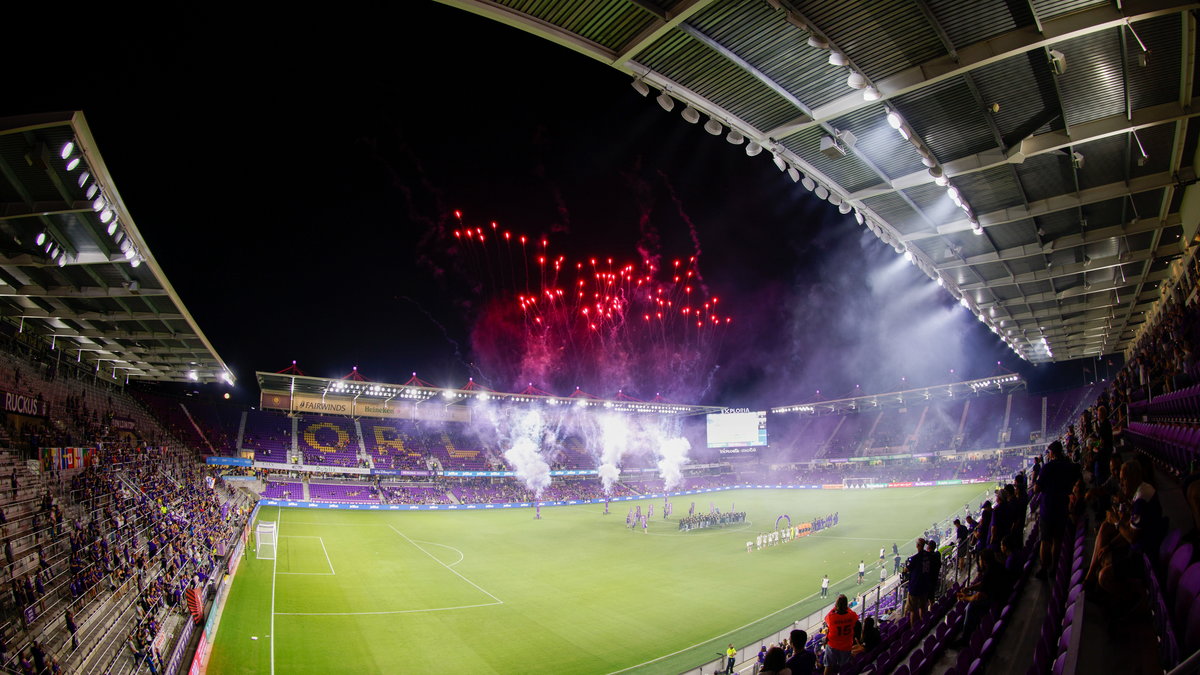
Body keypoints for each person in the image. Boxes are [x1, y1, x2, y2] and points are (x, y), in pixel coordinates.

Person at [1034, 440, 1081, 579]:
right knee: (1057, 540)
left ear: (1052, 453)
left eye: (1048, 452)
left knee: (1045, 541)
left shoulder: (1047, 467)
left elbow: (1037, 488)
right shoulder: (1068, 466)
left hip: (1048, 508)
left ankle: (1043, 568)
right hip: (1062, 507)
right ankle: (1054, 568)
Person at [822, 594, 858, 674]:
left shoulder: (831, 617)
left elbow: (826, 618)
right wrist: (846, 607)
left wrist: (835, 607)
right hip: (846, 645)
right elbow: (854, 616)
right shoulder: (851, 615)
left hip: (832, 645)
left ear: (836, 604)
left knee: (828, 666)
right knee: (844, 667)